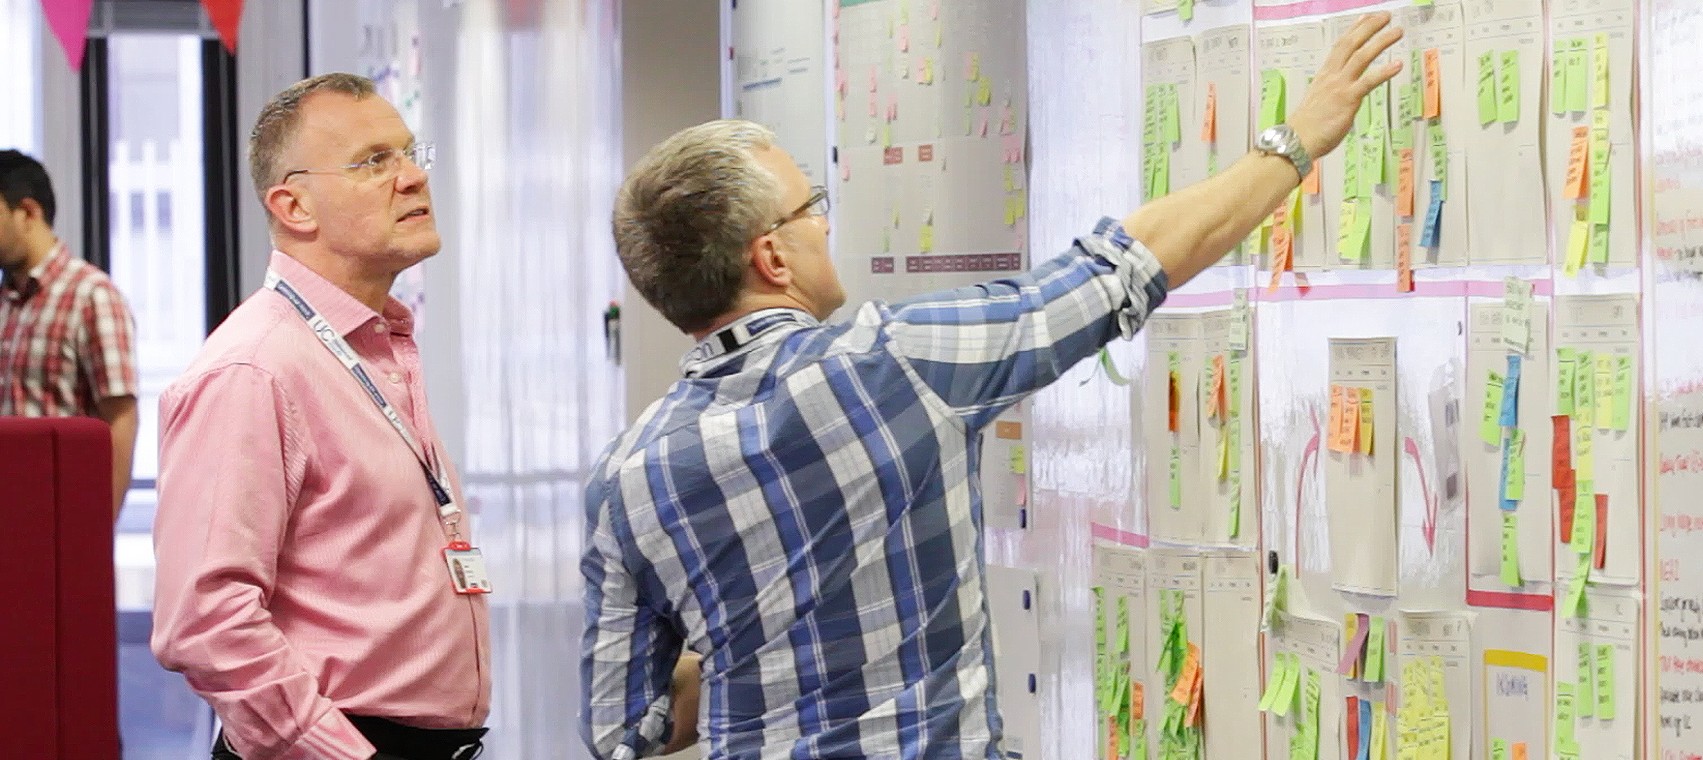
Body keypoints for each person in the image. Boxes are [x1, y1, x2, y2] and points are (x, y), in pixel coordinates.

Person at [580, 13, 1404, 759]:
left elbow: (622, 729)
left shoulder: (627, 479)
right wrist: (1295, 143)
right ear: (772, 258)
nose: (825, 221)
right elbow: (1120, 271)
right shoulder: (895, 365)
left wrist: (751, 625)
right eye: (810, 207)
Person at [150, 73, 488, 760]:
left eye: (408, 152)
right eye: (374, 162)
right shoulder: (254, 367)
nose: (413, 177)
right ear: (295, 206)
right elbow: (205, 621)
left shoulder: (378, 345)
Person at [0, 149, 138, 515]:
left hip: (61, 516)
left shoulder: (92, 295)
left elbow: (120, 417)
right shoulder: (6, 301)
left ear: (27, 212)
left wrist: (98, 527)